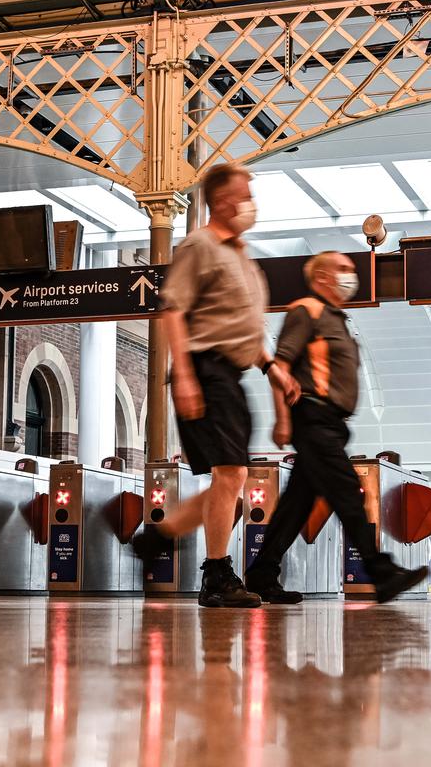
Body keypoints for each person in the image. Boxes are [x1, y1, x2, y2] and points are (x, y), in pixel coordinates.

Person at [131, 162, 298, 608]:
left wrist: (272, 366)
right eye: (244, 194)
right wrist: (183, 374)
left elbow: (243, 326)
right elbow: (173, 310)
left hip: (232, 374)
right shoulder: (199, 246)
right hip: (205, 371)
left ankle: (163, 535)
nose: (250, 203)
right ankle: (216, 576)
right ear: (221, 200)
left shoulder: (239, 254)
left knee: (231, 480)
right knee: (232, 474)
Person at [243, 250, 429, 604]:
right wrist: (283, 420)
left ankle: (261, 574)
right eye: (342, 268)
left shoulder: (337, 319)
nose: (350, 274)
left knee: (296, 504)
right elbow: (280, 366)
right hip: (312, 416)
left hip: (330, 422)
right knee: (346, 490)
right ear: (322, 278)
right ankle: (381, 572)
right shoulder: (306, 311)